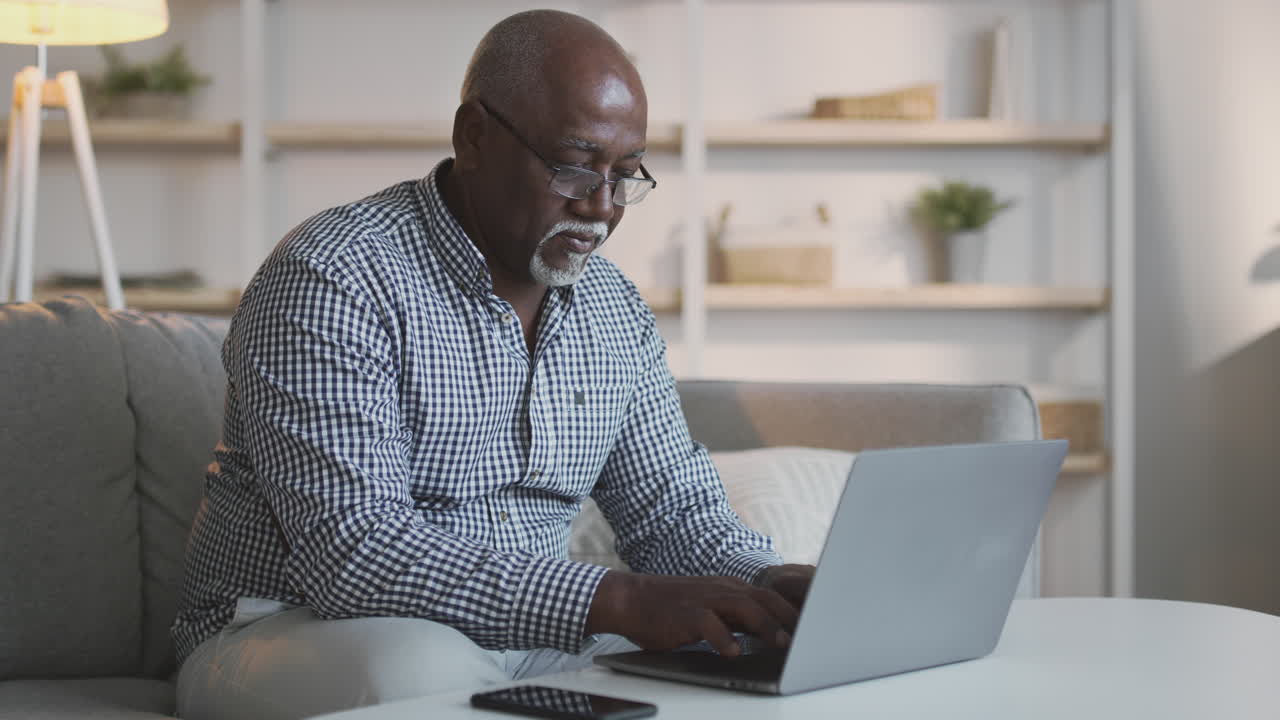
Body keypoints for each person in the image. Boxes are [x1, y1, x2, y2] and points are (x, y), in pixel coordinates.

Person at [173, 9, 814, 720]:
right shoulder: (334, 275)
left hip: (531, 639)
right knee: (424, 671)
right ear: (474, 136)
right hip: (292, 630)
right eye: (574, 166)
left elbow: (672, 512)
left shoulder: (613, 307)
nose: (602, 207)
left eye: (626, 173)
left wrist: (771, 585)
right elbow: (353, 553)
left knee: (730, 664)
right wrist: (619, 599)